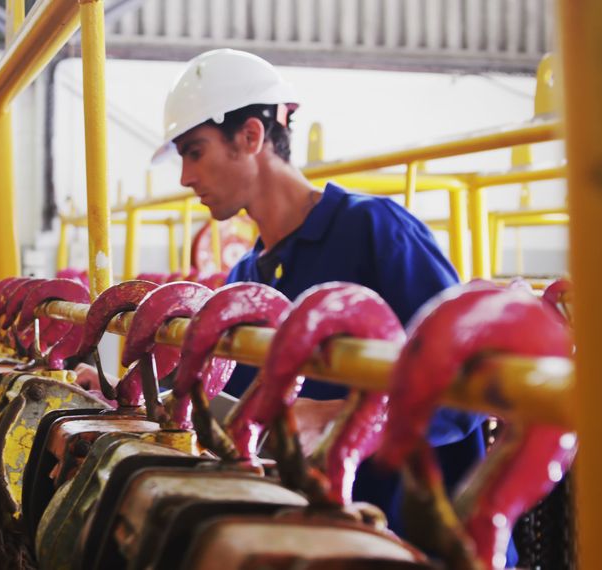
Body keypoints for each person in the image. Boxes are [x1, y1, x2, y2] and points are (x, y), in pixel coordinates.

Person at [154, 48, 510, 561]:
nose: (185, 177)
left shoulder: (375, 231)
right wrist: (134, 390)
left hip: (430, 547)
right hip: (328, 543)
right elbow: (224, 390)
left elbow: (470, 389)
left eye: (194, 151)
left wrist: (335, 413)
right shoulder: (248, 279)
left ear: (251, 137)